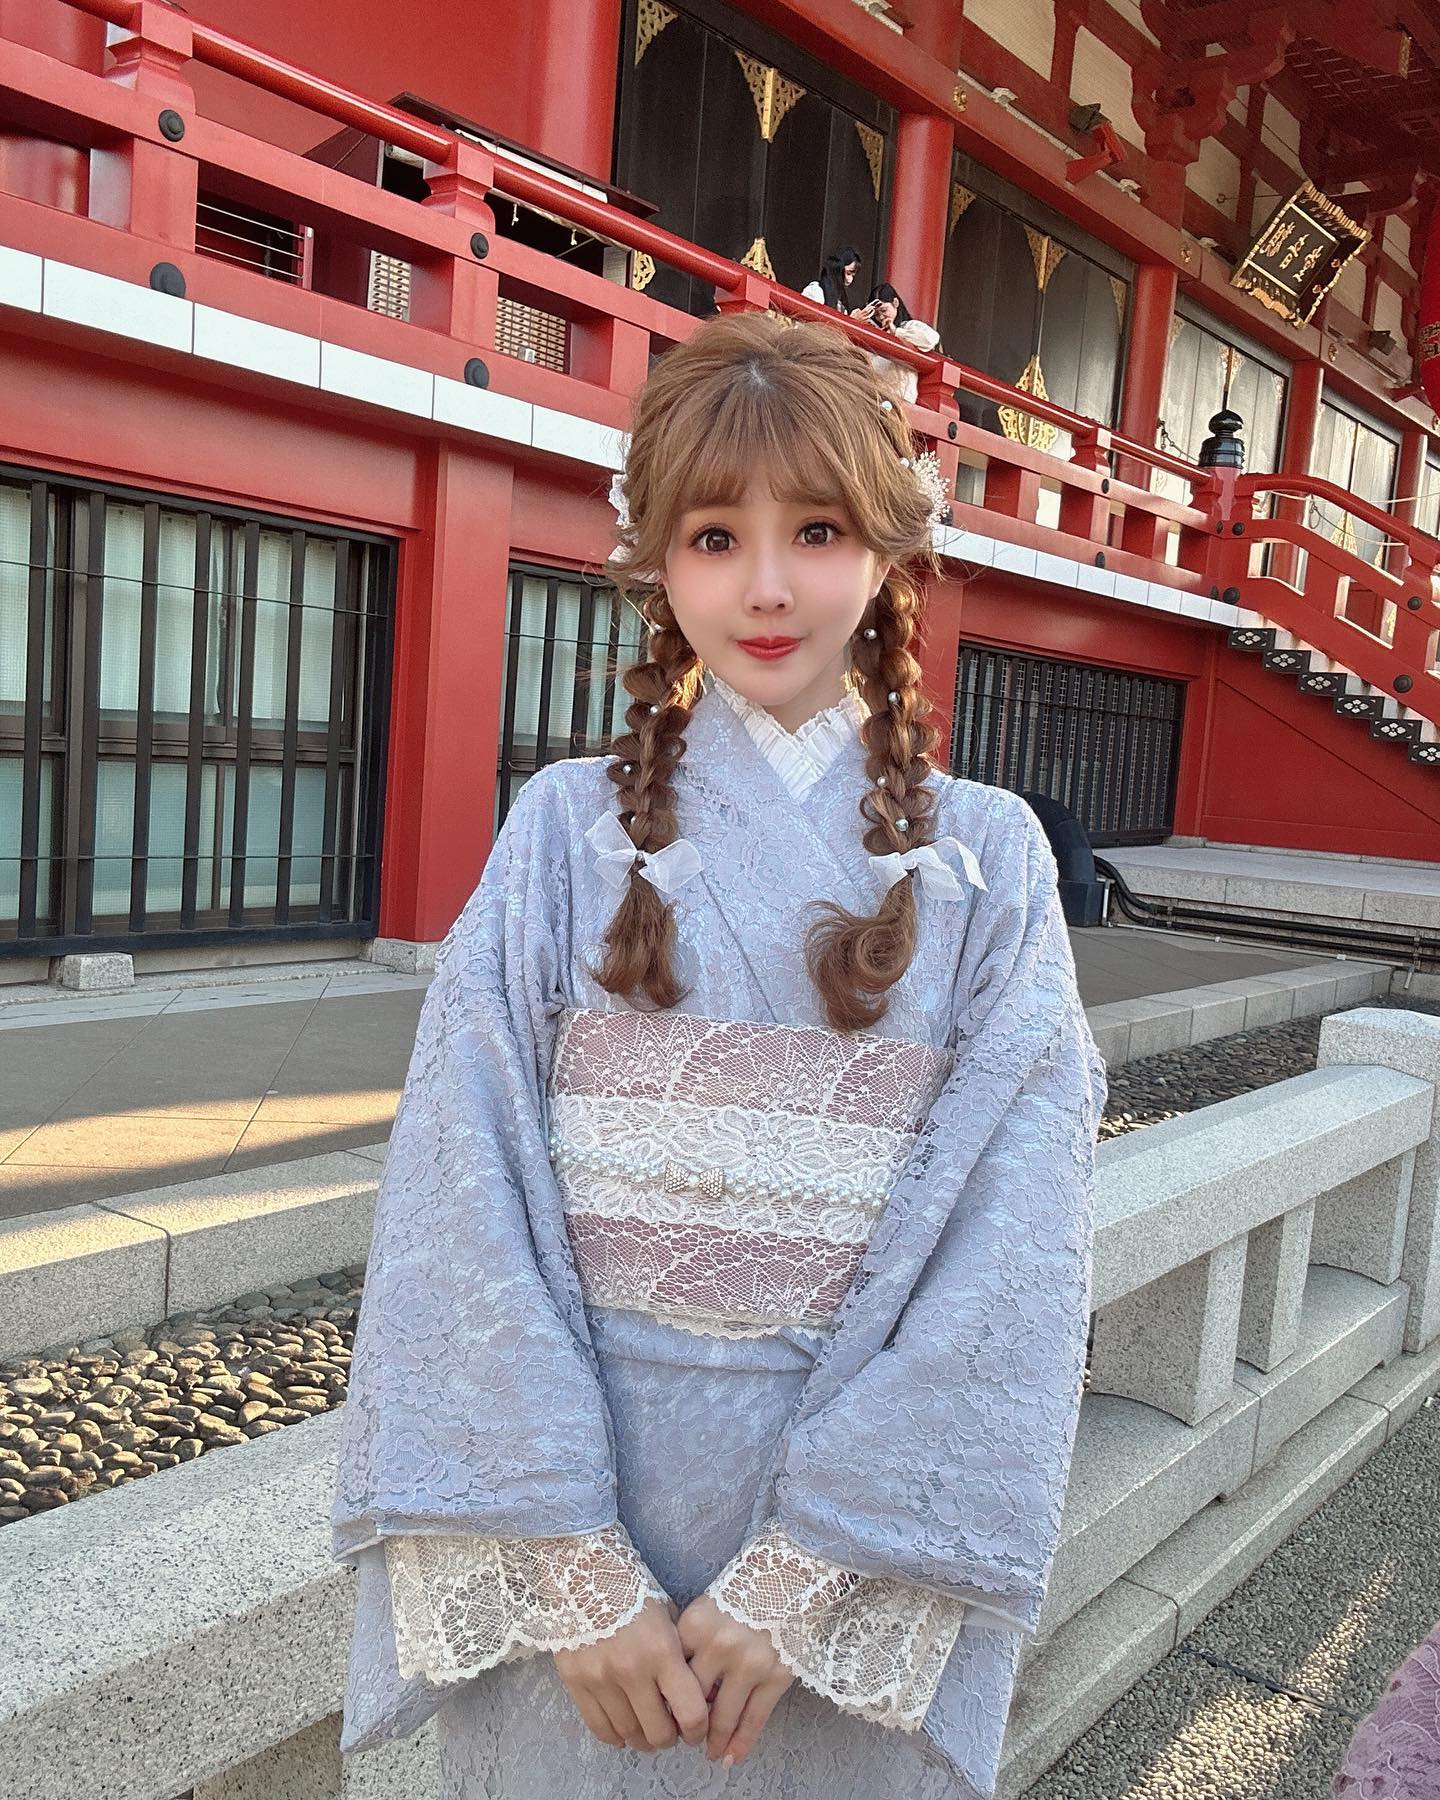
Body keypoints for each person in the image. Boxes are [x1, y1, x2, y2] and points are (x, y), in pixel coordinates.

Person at [332, 312, 1105, 1800]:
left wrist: (818, 1567)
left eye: (816, 530)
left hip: (837, 1542)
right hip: (581, 1528)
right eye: (711, 536)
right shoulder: (562, 831)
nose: (765, 586)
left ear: (888, 549)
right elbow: (455, 1184)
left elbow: (1020, 1236)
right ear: (656, 561)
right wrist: (567, 1559)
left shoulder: (990, 858)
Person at [864, 282, 942, 404]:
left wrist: (897, 332)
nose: (881, 317)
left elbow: (930, 339)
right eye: (877, 314)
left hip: (901, 397)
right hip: (876, 396)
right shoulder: (875, 330)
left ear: (895, 303)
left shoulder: (909, 326)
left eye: (884, 310)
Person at [801, 244, 871, 316]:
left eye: (853, 276)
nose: (850, 280)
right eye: (848, 273)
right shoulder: (816, 290)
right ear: (837, 269)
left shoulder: (841, 300)